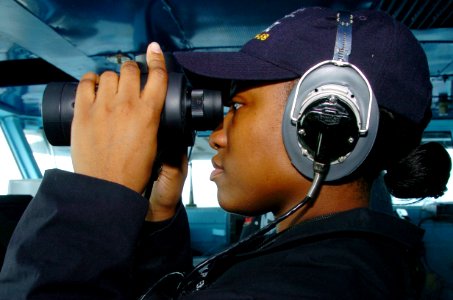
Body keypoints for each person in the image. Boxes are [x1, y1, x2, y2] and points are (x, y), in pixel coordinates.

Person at [0, 6, 451, 300]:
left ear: (324, 121)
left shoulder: (307, 288)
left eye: (236, 106)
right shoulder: (329, 261)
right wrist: (158, 220)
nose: (215, 136)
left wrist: (94, 198)